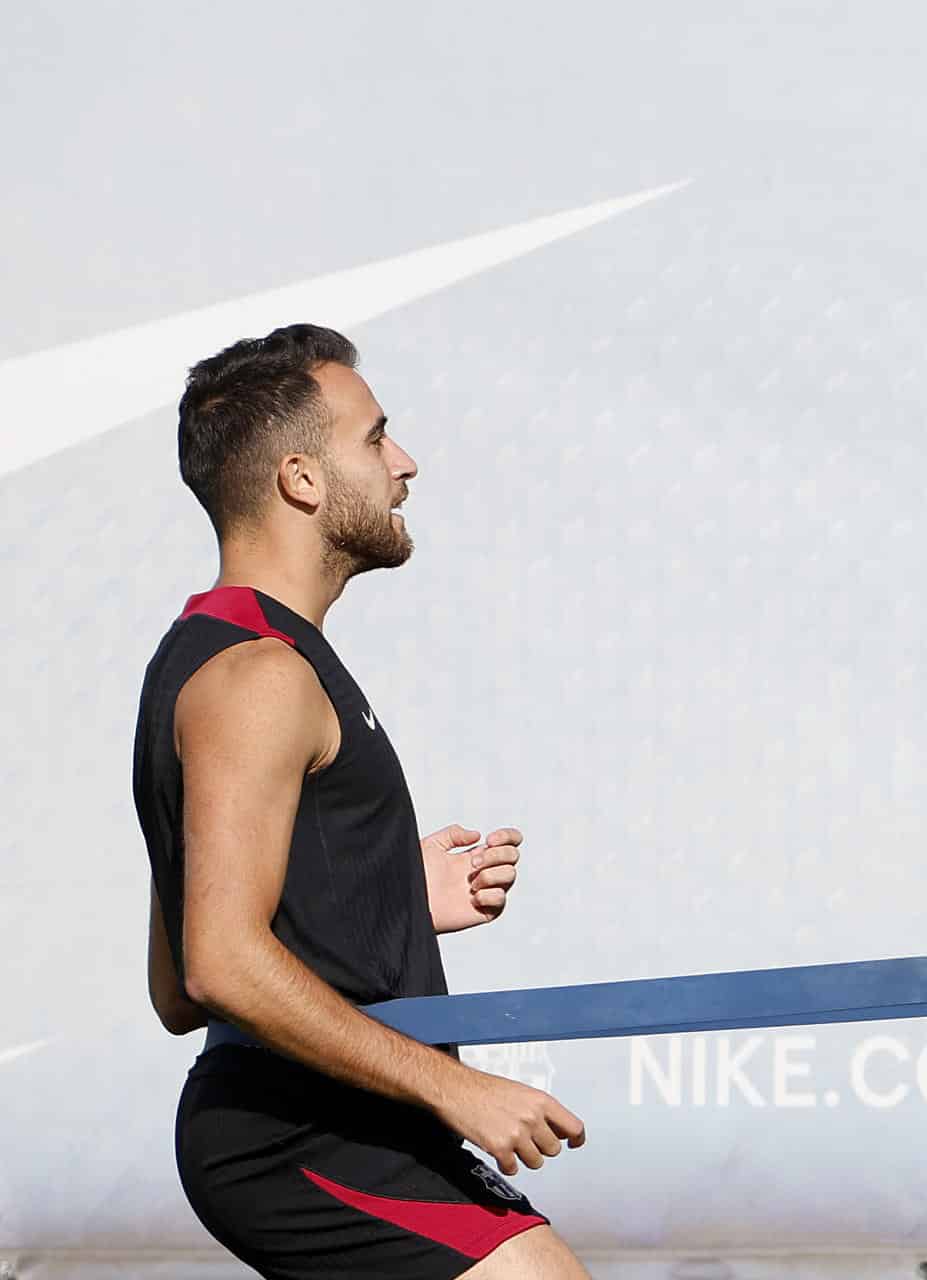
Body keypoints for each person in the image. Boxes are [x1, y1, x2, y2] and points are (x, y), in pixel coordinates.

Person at [132, 325, 593, 1279]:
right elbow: (215, 966)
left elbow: (177, 981)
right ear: (301, 479)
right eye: (377, 438)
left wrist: (386, 904)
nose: (406, 463)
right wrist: (453, 1090)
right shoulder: (257, 677)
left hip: (325, 1121)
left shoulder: (230, 656)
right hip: (298, 1136)